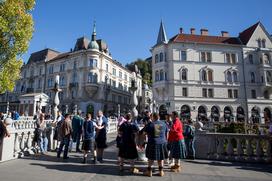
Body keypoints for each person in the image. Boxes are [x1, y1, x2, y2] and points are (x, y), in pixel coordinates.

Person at [142, 113, 169, 177]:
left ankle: (149, 172)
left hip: (152, 143)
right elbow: (167, 133)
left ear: (153, 117)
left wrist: (144, 140)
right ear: (159, 117)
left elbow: (144, 133)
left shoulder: (150, 124)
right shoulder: (164, 124)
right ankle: (161, 171)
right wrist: (165, 140)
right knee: (161, 158)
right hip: (162, 143)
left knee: (150, 158)